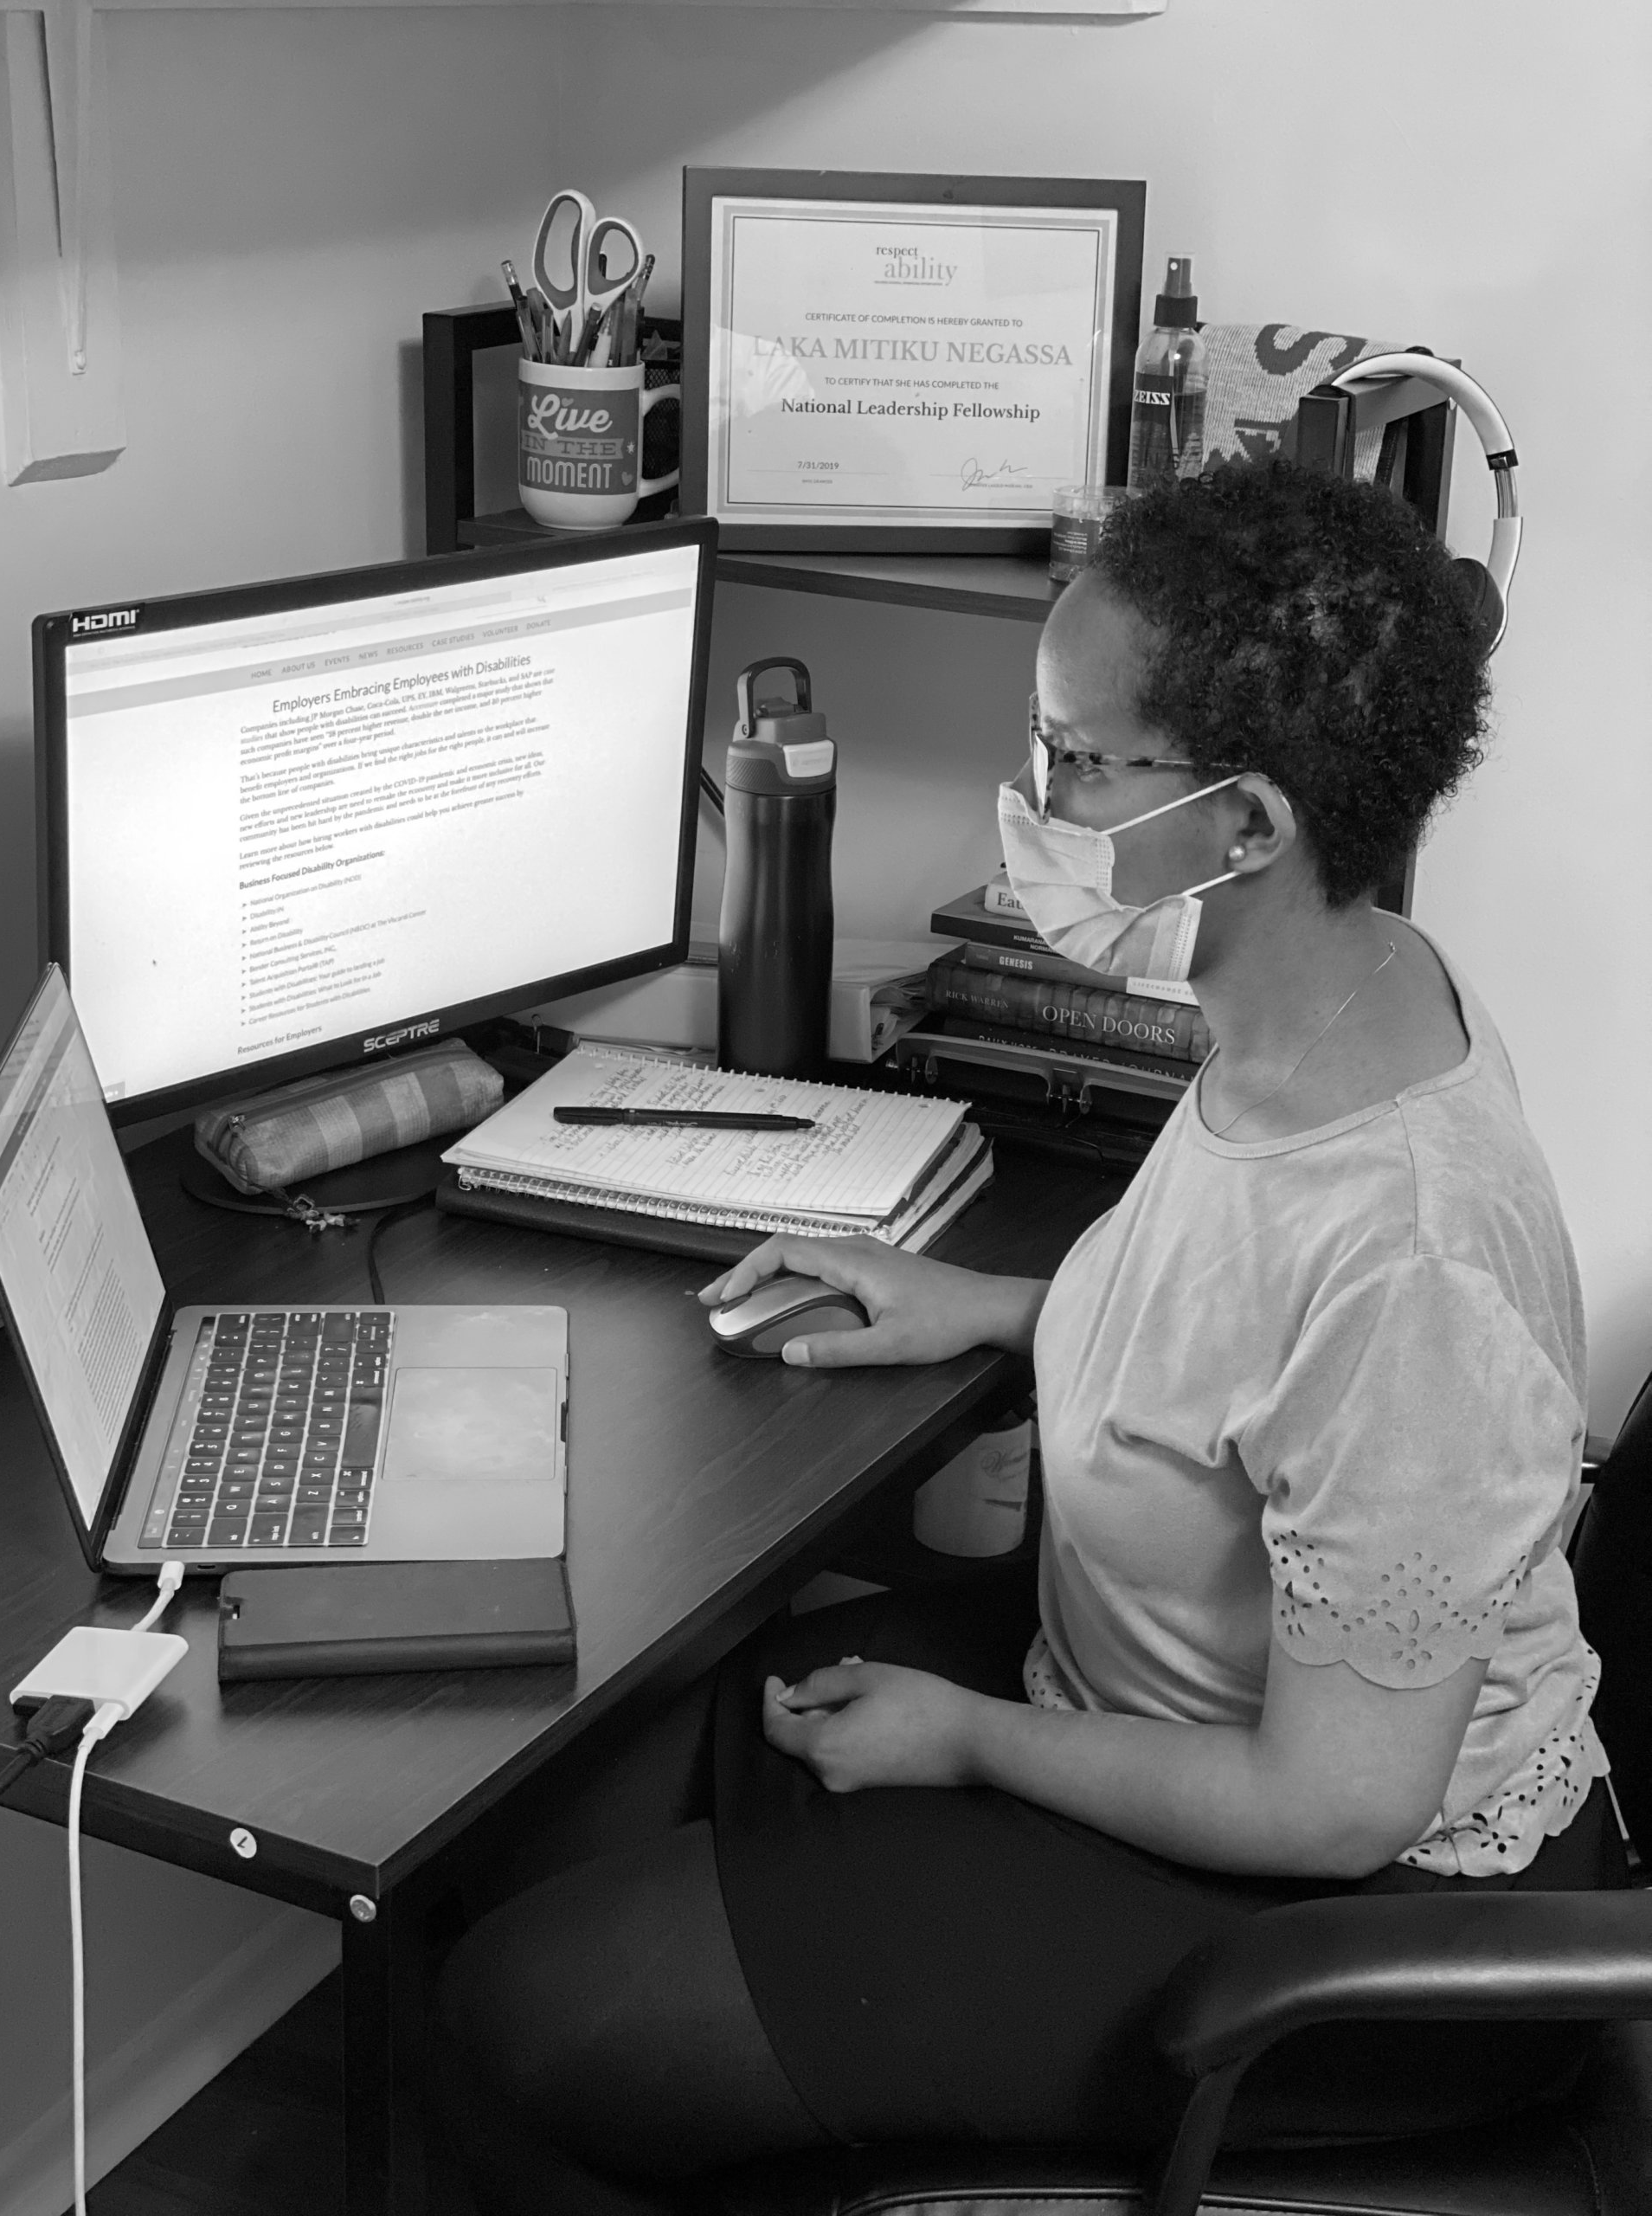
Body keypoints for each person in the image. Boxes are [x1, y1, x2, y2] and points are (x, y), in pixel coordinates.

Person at [435, 459, 1623, 2216]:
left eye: (1076, 759)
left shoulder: (1417, 1251)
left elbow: (1332, 1805)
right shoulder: (1326, 993)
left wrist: (965, 1739)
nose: (1030, 796)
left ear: (1246, 824)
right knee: (537, 1826)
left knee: (522, 2018)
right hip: (1160, 1706)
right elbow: (1249, 1340)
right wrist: (995, 1301)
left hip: (1339, 1922)